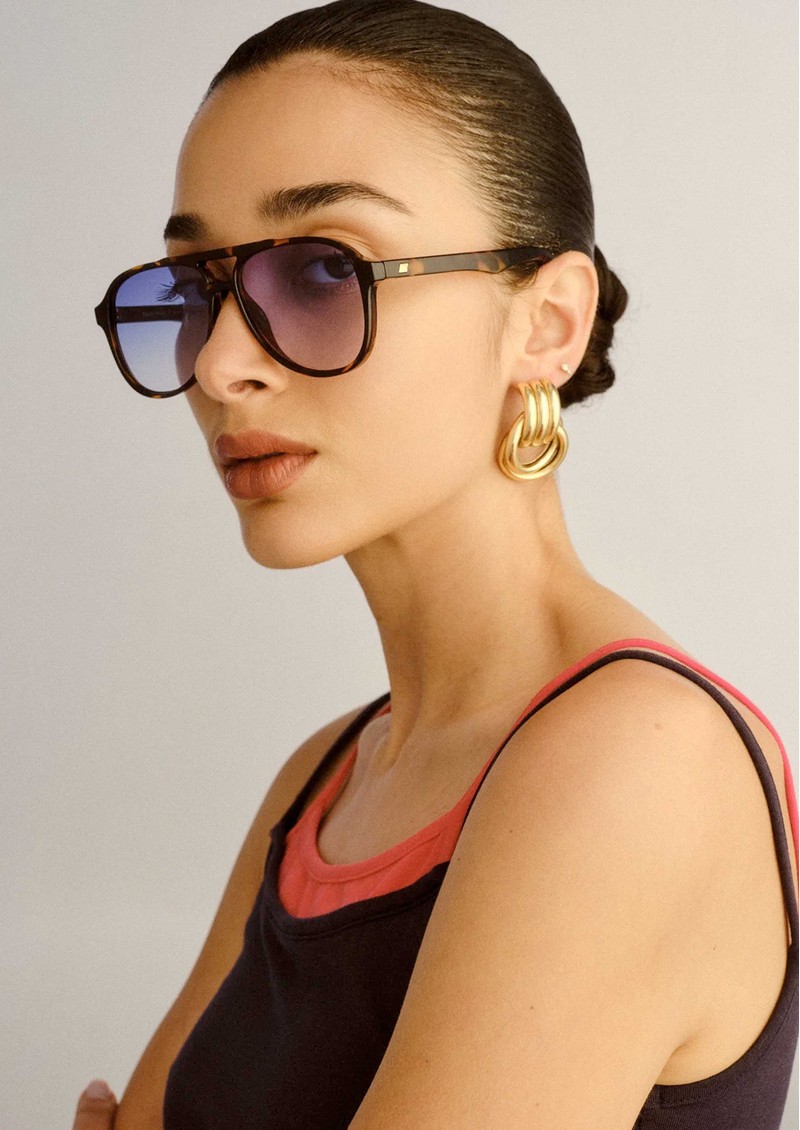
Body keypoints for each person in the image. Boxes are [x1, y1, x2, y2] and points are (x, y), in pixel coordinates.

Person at [77, 0, 798, 1126]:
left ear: (546, 324)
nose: (218, 365)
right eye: (200, 287)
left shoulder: (637, 763)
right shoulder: (322, 779)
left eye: (323, 272)